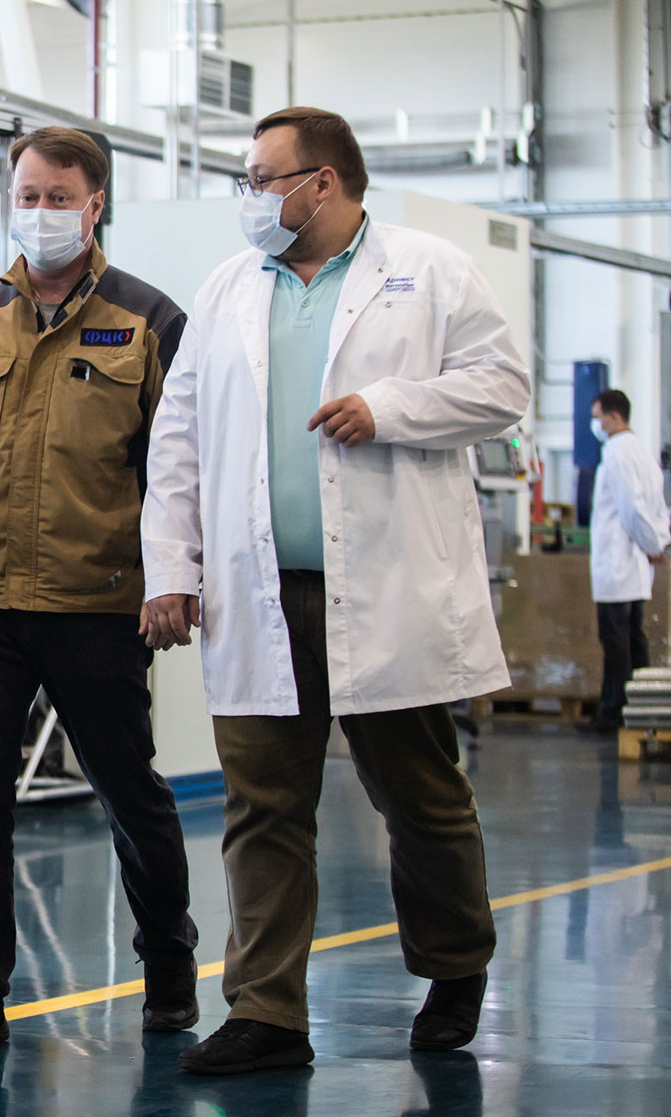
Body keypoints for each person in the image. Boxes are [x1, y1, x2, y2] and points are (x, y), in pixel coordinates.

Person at [141, 106, 529, 1074]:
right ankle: (267, 1012)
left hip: (390, 589)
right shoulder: (229, 288)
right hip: (257, 595)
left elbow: (503, 386)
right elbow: (179, 438)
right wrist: (173, 568)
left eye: (263, 179)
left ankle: (455, 963)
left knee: (420, 795)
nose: (250, 197)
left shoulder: (427, 270)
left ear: (323, 183)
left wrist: (389, 408)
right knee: (263, 807)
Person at [0, 126, 200, 1055]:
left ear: (95, 204)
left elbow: (178, 467)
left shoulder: (149, 321)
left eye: (59, 197)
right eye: (28, 196)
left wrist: (172, 577)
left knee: (130, 794)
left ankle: (169, 963)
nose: (41, 212)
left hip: (98, 602)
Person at [587, 388, 669, 734]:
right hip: (634, 568)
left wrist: (651, 544)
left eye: (597, 417)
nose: (595, 424)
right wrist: (658, 542)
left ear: (613, 416)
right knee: (633, 640)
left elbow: (632, 509)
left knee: (617, 643)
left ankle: (614, 714)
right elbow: (658, 506)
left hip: (618, 564)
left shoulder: (618, 453)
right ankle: (640, 712)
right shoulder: (642, 452)